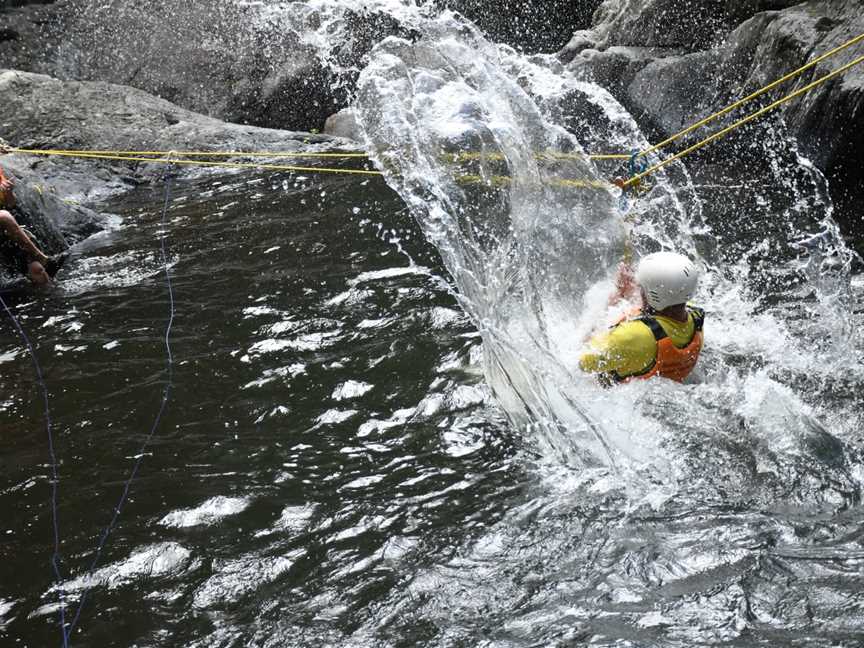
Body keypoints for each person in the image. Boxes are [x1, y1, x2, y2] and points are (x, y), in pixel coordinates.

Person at [580, 251, 704, 385]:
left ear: (653, 295)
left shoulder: (631, 337)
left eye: (641, 288)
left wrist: (619, 295)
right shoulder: (695, 319)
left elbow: (581, 362)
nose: (639, 290)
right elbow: (661, 307)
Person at [0, 164, 66, 286]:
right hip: (4, 222)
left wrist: (8, 192)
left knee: (37, 269)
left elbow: (11, 204)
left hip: (5, 230)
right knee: (4, 216)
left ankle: (52, 295)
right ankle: (42, 258)